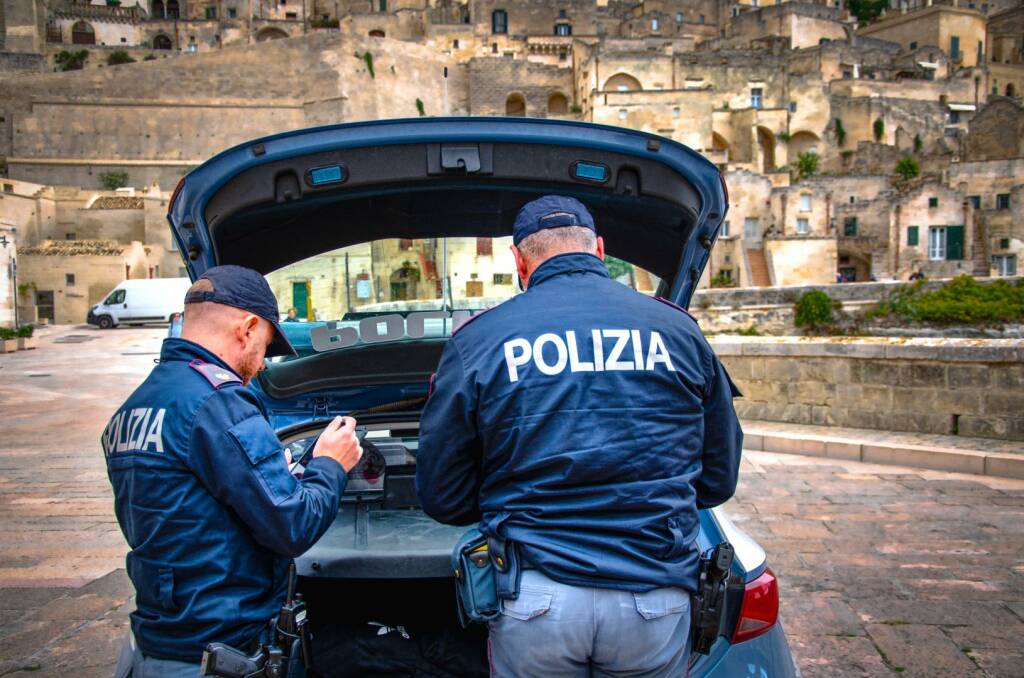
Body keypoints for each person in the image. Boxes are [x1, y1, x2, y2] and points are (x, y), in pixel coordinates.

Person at [416, 196, 743, 677]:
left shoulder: (480, 340)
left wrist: (504, 502)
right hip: (653, 596)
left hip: (537, 597)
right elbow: (717, 479)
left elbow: (442, 496)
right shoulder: (677, 331)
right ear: (600, 249)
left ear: (518, 262)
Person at [105, 265, 363, 676]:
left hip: (161, 645)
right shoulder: (218, 404)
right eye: (264, 346)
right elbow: (293, 525)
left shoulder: (137, 405)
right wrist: (331, 464)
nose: (262, 364)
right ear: (247, 328)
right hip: (221, 653)